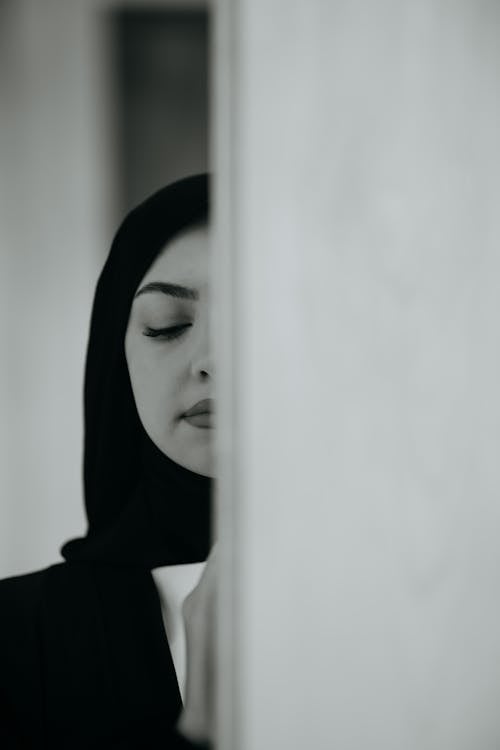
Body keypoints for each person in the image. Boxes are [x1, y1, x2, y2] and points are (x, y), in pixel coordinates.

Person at [0, 174, 215, 749]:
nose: (214, 363)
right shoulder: (14, 637)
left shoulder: (435, 621)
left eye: (255, 320)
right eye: (168, 327)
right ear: (115, 360)